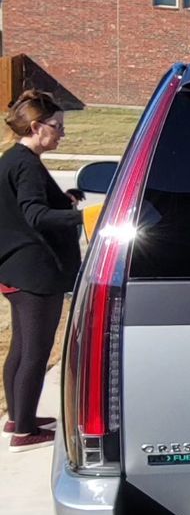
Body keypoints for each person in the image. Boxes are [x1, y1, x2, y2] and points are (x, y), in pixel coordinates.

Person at [0, 90, 83, 451]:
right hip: (35, 271)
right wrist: (84, 215)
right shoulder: (28, 165)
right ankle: (25, 432)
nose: (61, 133)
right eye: (57, 126)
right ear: (36, 127)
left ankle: (20, 418)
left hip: (14, 267)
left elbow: (24, 208)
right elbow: (35, 214)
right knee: (35, 350)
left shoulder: (13, 159)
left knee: (20, 348)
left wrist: (62, 200)